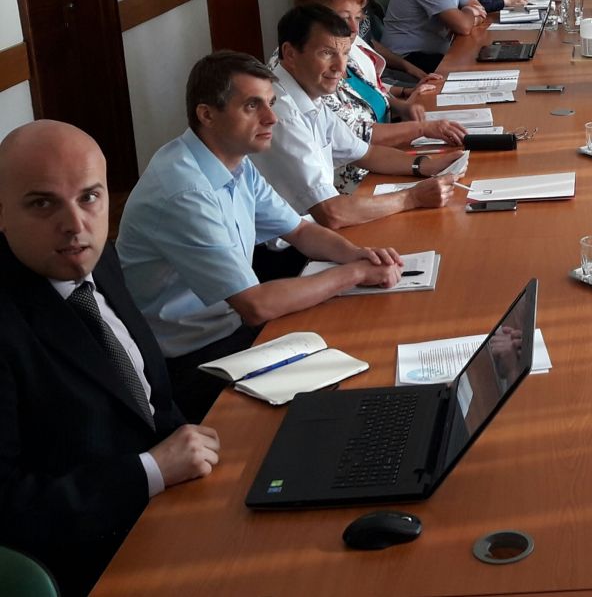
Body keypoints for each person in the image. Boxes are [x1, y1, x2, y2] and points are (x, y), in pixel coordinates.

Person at [118, 51, 414, 421]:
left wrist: (358, 255)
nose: (271, 118)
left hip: (232, 331)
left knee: (362, 344)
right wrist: (353, 274)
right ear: (207, 114)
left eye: (271, 103)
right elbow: (255, 305)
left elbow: (301, 231)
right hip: (192, 361)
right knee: (346, 384)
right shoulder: (184, 190)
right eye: (252, 106)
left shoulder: (235, 161)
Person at [0, 120, 220, 594]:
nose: (75, 224)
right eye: (42, 203)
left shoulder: (98, 257)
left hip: (172, 507)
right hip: (91, 559)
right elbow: (9, 506)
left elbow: (147, 394)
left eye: (89, 197)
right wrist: (151, 471)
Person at [251, 6, 460, 226]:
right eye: (327, 53)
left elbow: (366, 153)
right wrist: (412, 197)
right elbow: (331, 213)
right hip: (292, 242)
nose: (340, 68)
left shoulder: (309, 93)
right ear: (290, 54)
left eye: (344, 54)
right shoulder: (280, 113)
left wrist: (428, 166)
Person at [292, 0, 460, 193]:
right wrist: (421, 129)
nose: (353, 28)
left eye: (357, 18)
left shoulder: (344, 49)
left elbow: (363, 143)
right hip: (357, 185)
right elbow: (358, 138)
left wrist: (404, 109)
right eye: (344, 18)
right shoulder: (310, 71)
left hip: (386, 161)